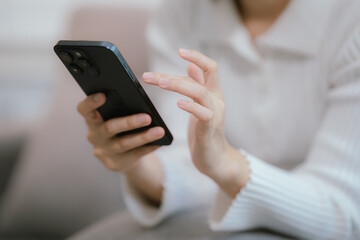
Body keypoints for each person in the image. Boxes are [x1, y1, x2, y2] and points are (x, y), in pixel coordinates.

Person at [76, 0, 360, 239]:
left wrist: (226, 164)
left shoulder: (350, 20)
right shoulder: (181, 12)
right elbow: (191, 171)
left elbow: (345, 215)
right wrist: (138, 162)